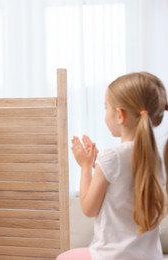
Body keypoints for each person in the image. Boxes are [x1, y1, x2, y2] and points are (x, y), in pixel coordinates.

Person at [57, 72, 168, 260]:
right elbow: (124, 177)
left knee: (63, 257)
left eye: (105, 108)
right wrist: (97, 163)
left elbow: (89, 208)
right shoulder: (155, 156)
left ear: (119, 115)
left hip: (111, 256)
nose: (105, 113)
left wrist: (85, 166)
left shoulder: (111, 158)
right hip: (150, 256)